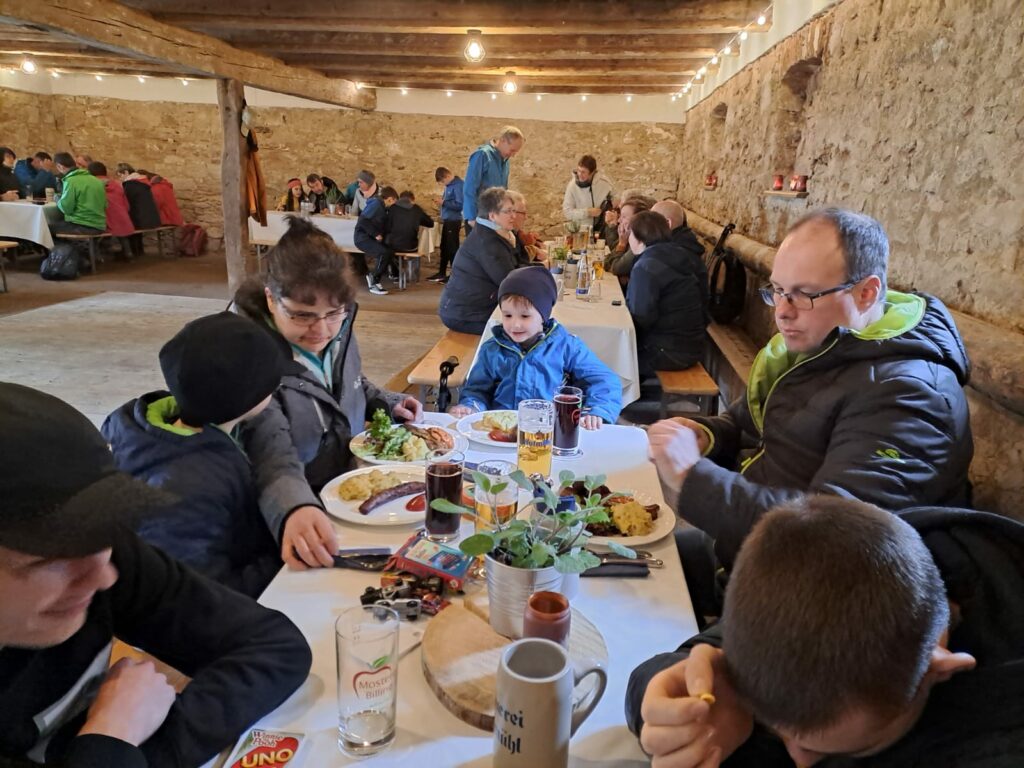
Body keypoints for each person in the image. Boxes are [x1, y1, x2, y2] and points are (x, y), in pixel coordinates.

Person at [648, 207, 973, 616]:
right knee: (613, 563)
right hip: (747, 556)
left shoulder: (907, 394)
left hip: (816, 607)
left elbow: (830, 536)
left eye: (804, 295)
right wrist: (706, 434)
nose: (781, 310)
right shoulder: (820, 347)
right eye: (777, 290)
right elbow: (747, 423)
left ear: (866, 293)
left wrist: (693, 478)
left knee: (643, 674)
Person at [0, 382, 312, 768]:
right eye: (49, 559)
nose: (105, 578)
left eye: (104, 530)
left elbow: (275, 646)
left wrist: (119, 746)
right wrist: (111, 738)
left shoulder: (103, 555)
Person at [626, 495, 1024, 768]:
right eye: (784, 736)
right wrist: (676, 695)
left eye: (863, 747)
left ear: (938, 670)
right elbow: (680, 669)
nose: (799, 760)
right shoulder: (826, 573)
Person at [233, 216, 423, 570]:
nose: (321, 330)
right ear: (271, 299)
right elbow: (268, 447)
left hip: (348, 494)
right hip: (297, 516)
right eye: (303, 316)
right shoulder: (248, 356)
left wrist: (387, 401)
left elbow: (346, 381)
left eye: (333, 313)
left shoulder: (339, 326)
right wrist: (294, 507)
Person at [102, 312, 288, 597]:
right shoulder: (187, 487)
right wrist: (280, 560)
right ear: (246, 399)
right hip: (215, 615)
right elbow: (202, 593)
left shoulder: (158, 423)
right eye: (272, 382)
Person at [451, 267, 621, 426]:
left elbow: (604, 380)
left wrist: (597, 410)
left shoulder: (566, 346)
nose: (515, 324)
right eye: (507, 315)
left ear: (544, 316)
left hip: (550, 429)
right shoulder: (492, 349)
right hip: (501, 428)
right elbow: (476, 390)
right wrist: (471, 407)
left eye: (525, 316)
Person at [626, 210, 707, 376]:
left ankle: (618, 398)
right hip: (690, 345)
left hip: (667, 352)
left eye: (630, 234)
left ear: (639, 238)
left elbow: (641, 316)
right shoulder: (678, 253)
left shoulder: (646, 266)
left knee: (605, 355)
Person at [439, 186, 521, 334]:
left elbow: (515, 267)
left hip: (475, 308)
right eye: (508, 211)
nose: (514, 216)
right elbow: (509, 282)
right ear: (492, 216)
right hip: (465, 315)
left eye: (514, 211)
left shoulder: (494, 234)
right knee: (525, 330)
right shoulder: (487, 241)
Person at [652, 199, 708, 316]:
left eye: (652, 221)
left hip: (680, 324)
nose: (649, 227)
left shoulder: (676, 253)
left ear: (668, 224)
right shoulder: (682, 244)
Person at [462, 126, 525, 228]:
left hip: (496, 218)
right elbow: (469, 188)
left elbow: (503, 191)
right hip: (479, 218)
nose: (513, 155)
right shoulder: (482, 155)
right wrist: (471, 217)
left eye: (516, 152)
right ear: (503, 140)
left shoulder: (505, 161)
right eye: (512, 150)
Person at [355, 184, 399, 296]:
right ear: (390, 199)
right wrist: (375, 234)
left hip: (368, 237)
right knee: (383, 253)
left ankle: (386, 275)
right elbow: (363, 220)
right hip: (362, 238)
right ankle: (373, 280)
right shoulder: (376, 205)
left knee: (389, 252)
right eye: (394, 201)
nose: (394, 204)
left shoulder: (381, 206)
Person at [50, 152, 107, 237]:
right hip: (100, 226)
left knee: (46, 229)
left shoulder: (71, 180)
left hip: (82, 225)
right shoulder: (96, 180)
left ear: (60, 166)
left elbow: (66, 209)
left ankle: (62, 250)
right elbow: (105, 205)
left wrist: (56, 198)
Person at [87, 161, 135, 259]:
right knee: (120, 230)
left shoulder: (93, 185)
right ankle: (128, 253)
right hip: (123, 219)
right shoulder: (117, 185)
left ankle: (96, 256)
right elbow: (127, 205)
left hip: (106, 221)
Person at [116, 163, 162, 258]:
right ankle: (138, 250)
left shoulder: (129, 185)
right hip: (153, 219)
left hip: (141, 220)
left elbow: (126, 205)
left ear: (126, 172)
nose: (119, 179)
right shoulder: (143, 182)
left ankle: (128, 252)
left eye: (120, 175)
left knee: (122, 224)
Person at [429, 166, 464, 282]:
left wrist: (443, 202)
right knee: (444, 247)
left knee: (452, 248)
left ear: (447, 176)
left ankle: (454, 276)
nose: (443, 184)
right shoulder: (449, 186)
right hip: (448, 221)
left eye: (443, 181)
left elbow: (460, 205)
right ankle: (441, 272)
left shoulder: (458, 186)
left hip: (453, 221)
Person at [604, 196, 653, 278]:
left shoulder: (640, 240)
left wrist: (622, 244)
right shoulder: (628, 236)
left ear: (638, 219)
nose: (619, 220)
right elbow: (607, 261)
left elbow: (616, 268)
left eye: (624, 217)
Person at [562, 154, 614, 228]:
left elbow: (616, 200)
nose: (580, 174)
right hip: (581, 232)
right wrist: (587, 212)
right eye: (578, 170)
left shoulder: (604, 183)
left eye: (583, 172)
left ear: (592, 173)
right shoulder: (572, 186)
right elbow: (567, 213)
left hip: (603, 231)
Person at [386, 190, 434, 254]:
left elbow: (387, 227)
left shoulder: (392, 208)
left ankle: (395, 263)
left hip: (393, 246)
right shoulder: (417, 209)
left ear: (400, 198)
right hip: (411, 247)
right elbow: (431, 223)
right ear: (413, 200)